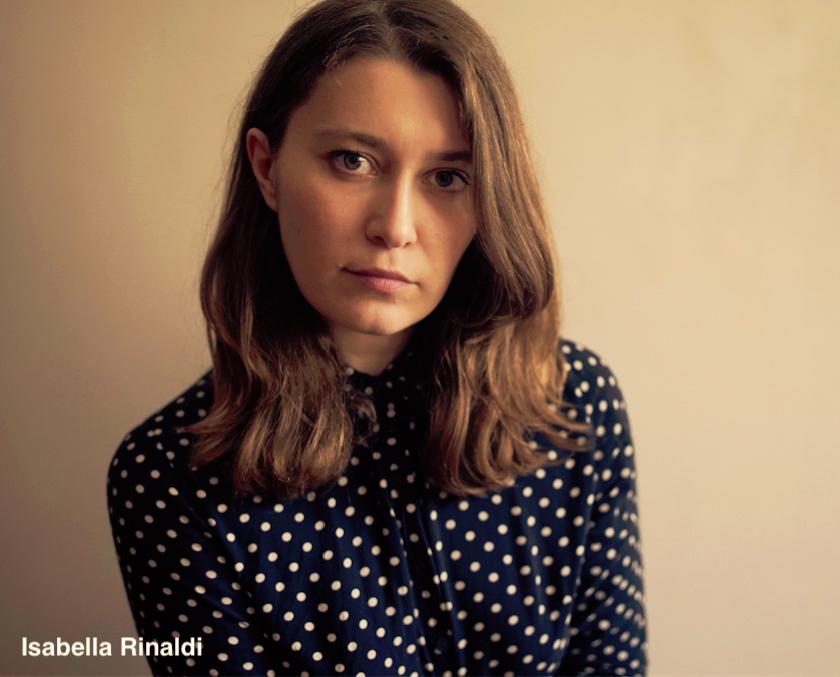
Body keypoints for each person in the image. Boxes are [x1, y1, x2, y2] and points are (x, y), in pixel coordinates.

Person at [106, 0, 647, 675]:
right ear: (267, 168)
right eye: (352, 161)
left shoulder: (573, 407)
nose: (395, 226)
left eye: (449, 177)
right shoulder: (169, 481)